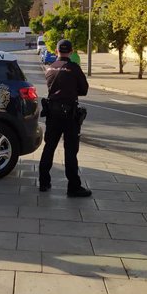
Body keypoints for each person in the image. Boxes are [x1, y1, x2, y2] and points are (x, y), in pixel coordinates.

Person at [39, 39, 91, 197]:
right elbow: (84, 90)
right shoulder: (74, 68)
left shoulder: (50, 69)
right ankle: (73, 187)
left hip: (52, 114)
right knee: (70, 151)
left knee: (49, 147)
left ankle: (44, 182)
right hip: (69, 115)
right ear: (72, 51)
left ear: (56, 51)